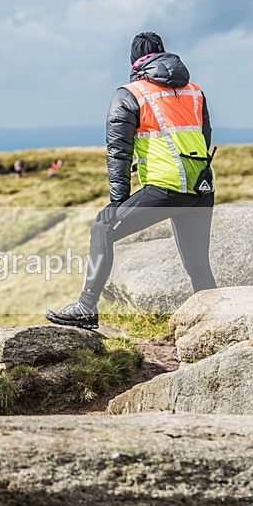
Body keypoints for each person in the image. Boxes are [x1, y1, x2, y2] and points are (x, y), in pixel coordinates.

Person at [46, 32, 216, 330]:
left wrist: (118, 202)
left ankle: (86, 306)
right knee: (199, 267)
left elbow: (118, 152)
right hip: (201, 188)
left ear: (134, 61)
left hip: (165, 189)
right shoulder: (195, 91)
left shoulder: (130, 94)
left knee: (102, 228)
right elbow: (203, 138)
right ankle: (216, 326)